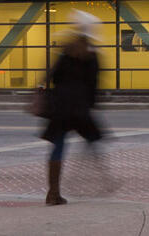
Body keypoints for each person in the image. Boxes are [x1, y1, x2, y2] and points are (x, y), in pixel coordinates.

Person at [42, 11, 109, 205]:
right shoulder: (92, 55)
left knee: (58, 147)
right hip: (80, 107)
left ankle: (53, 192)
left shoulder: (65, 51)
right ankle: (105, 179)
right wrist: (92, 104)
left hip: (61, 106)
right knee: (93, 139)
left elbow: (53, 76)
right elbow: (94, 84)